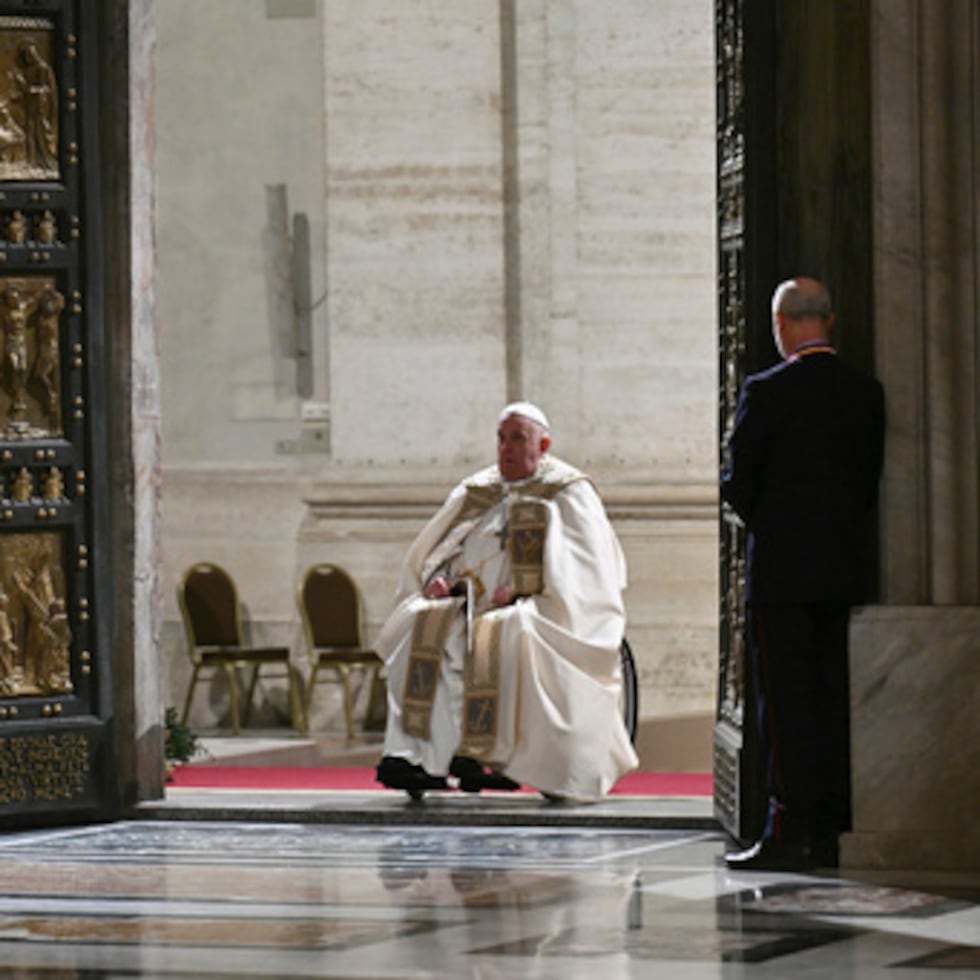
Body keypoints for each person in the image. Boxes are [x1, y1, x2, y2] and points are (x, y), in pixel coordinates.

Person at [375, 401, 638, 801]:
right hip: (465, 607)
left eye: (518, 438)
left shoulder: (567, 491)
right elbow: (440, 549)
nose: (506, 448)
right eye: (501, 438)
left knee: (507, 631)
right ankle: (415, 757)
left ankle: (483, 755)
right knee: (421, 621)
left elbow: (589, 570)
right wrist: (439, 581)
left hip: (534, 609)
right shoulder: (478, 490)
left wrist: (523, 590)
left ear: (543, 443)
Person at [721, 277, 885, 871]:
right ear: (830, 321)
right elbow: (869, 483)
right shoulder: (866, 393)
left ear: (781, 324)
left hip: (784, 577)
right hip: (843, 568)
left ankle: (791, 829)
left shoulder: (767, 391)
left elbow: (737, 482)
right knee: (834, 696)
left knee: (786, 706)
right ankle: (838, 822)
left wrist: (780, 527)